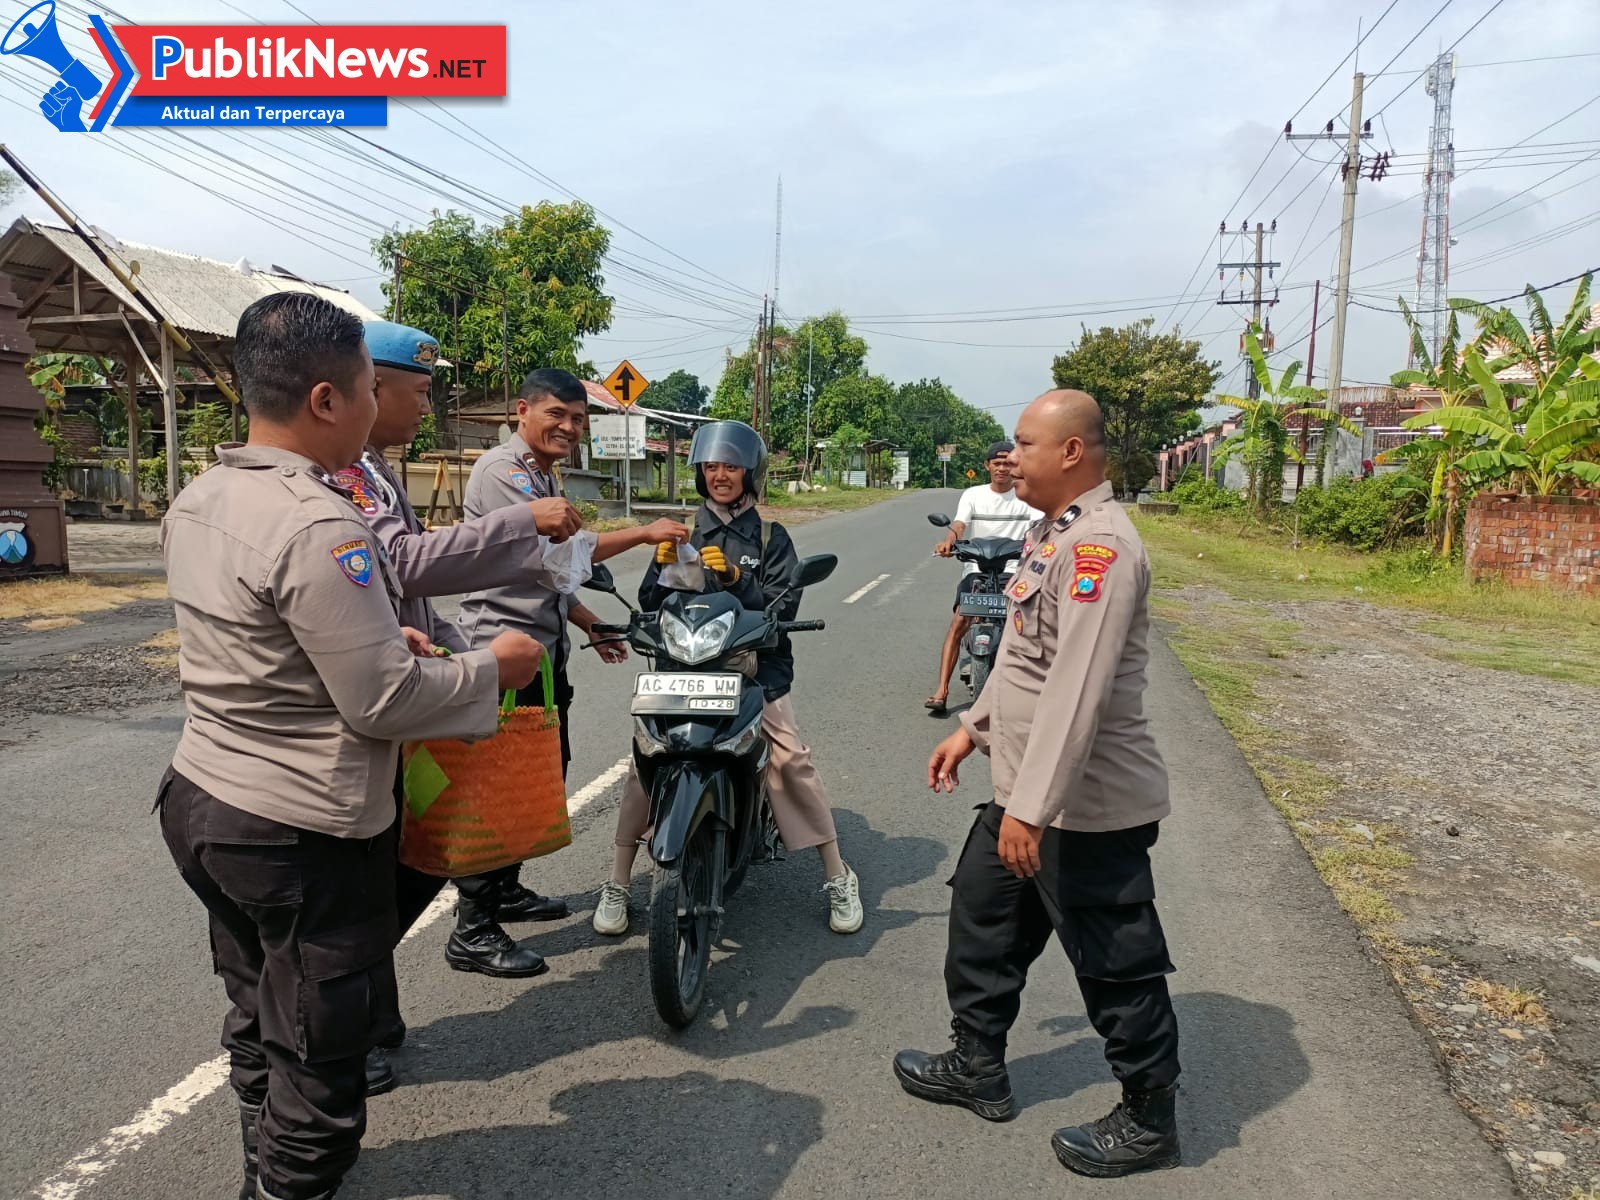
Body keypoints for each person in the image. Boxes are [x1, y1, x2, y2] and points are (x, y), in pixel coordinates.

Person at [157, 292, 544, 1200]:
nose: (380, 409)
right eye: (373, 389)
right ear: (328, 401)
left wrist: (383, 636)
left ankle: (260, 1152)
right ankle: (288, 1181)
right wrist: (494, 668)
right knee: (322, 1058)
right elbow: (383, 702)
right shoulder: (322, 524)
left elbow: (260, 644)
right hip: (300, 829)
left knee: (257, 1005)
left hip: (203, 800)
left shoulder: (204, 495)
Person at [893, 390, 1182, 1180]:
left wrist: (1031, 808)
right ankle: (977, 1062)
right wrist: (971, 728)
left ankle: (1151, 1116)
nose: (1009, 457)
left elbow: (1074, 691)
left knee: (1114, 961)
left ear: (1072, 454)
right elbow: (1022, 660)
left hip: (1081, 810)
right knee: (984, 918)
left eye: (1024, 443)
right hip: (1025, 793)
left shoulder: (1103, 551)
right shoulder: (1053, 536)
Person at [343, 322, 586, 1064]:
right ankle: (465, 933)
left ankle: (373, 1022)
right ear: (362, 389)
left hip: (477, 660)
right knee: (458, 808)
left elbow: (408, 590)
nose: (427, 406)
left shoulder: (378, 469)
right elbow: (408, 564)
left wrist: (441, 640)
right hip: (420, 684)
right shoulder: (354, 474)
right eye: (417, 392)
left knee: (510, 790)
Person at [592, 420, 864, 937]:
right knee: (645, 760)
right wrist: (659, 570)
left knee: (788, 759)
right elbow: (652, 605)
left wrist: (740, 580)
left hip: (752, 669)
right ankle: (619, 880)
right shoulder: (680, 533)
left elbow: (786, 604)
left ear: (749, 473)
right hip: (684, 668)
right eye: (712, 466)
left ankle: (836, 873)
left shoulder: (769, 537)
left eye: (731, 466)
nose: (720, 475)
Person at [455, 368, 690, 943]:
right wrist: (640, 533)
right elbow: (559, 561)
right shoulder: (504, 472)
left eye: (579, 419)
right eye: (557, 415)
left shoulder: (542, 474)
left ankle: (504, 887)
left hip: (542, 651)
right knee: (500, 783)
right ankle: (473, 926)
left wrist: (591, 623)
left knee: (540, 774)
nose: (569, 427)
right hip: (502, 653)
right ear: (522, 411)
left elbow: (549, 581)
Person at [925, 441, 1041, 716]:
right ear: (987, 466)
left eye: (1007, 462)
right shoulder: (973, 494)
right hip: (977, 568)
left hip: (1015, 569)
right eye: (996, 463)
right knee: (959, 620)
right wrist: (948, 542)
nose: (1002, 468)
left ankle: (1035, 690)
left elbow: (1038, 527)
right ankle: (941, 691)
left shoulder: (1027, 495)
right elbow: (959, 524)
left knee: (1030, 623)